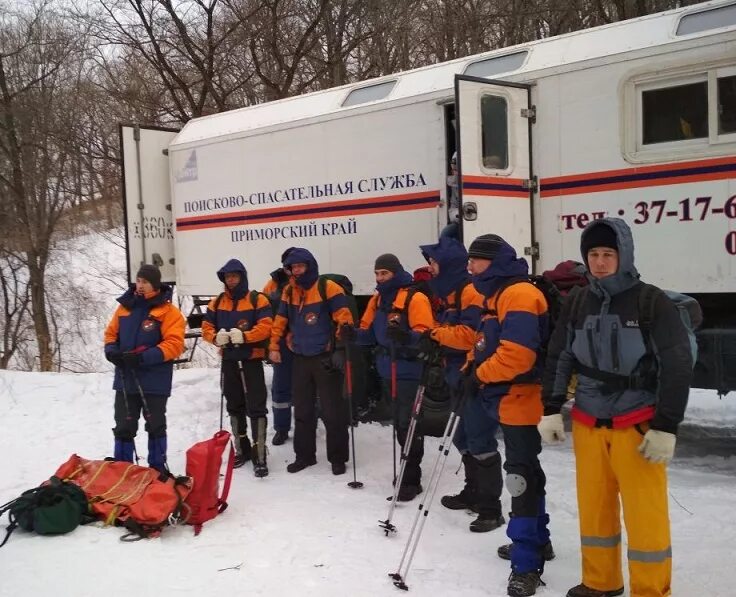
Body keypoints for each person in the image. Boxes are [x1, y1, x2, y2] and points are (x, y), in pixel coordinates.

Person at [539, 218, 693, 597]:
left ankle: (651, 590)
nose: (601, 262)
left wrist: (666, 427)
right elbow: (560, 355)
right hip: (590, 423)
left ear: (624, 255)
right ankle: (600, 582)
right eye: (593, 254)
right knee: (595, 510)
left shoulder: (649, 301)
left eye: (609, 253)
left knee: (646, 519)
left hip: (637, 426)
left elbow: (676, 366)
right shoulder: (577, 300)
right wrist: (551, 406)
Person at [464, 234, 551, 597]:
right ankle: (537, 541)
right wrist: (471, 368)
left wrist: (477, 375)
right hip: (508, 396)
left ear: (494, 262)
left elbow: (518, 357)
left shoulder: (518, 295)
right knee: (528, 472)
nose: (470, 267)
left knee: (519, 479)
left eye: (477, 261)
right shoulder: (497, 295)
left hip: (521, 397)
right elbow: (486, 345)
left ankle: (526, 565)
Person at [419, 236, 505, 532]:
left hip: (475, 377)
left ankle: (491, 508)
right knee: (462, 438)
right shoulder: (450, 293)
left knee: (480, 440)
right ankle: (473, 493)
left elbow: (471, 336)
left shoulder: (470, 293)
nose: (429, 268)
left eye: (433, 262)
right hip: (456, 374)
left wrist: (435, 335)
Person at [345, 254, 434, 501]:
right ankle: (407, 470)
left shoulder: (415, 298)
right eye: (377, 273)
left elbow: (426, 334)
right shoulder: (377, 299)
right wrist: (351, 334)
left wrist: (406, 338)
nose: (380, 278)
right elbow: (367, 333)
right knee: (399, 422)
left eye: (384, 273)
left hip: (407, 368)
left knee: (408, 423)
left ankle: (411, 479)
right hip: (387, 368)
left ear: (396, 272)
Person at [269, 248, 353, 475]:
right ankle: (304, 456)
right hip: (300, 358)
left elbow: (344, 319)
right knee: (303, 411)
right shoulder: (289, 292)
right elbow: (280, 321)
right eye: (292, 268)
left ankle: (338, 458)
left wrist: (340, 349)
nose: (296, 271)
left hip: (324, 358)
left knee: (332, 411)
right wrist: (274, 346)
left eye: (299, 266)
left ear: (309, 265)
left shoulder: (329, 288)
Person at [104, 264, 186, 474]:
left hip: (154, 380)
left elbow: (174, 344)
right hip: (125, 378)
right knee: (123, 426)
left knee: (155, 424)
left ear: (155, 285)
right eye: (138, 281)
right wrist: (111, 350)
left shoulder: (169, 312)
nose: (140, 286)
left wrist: (142, 358)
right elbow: (111, 334)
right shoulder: (125, 307)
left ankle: (157, 470)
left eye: (145, 282)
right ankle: (123, 470)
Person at [202, 259, 272, 477]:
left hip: (251, 359)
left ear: (242, 277)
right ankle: (241, 448)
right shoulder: (217, 302)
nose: (230, 280)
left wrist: (245, 336)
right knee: (234, 403)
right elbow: (206, 327)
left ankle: (259, 452)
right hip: (229, 360)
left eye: (234, 276)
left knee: (256, 405)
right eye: (227, 277)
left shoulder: (257, 299)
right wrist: (215, 338)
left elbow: (266, 326)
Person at [263, 252, 294, 446]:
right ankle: (281, 429)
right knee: (280, 389)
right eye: (287, 265)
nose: (289, 268)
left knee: (307, 387)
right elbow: (264, 314)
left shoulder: (310, 283)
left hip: (303, 342)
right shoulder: (272, 285)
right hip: (281, 343)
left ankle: (308, 423)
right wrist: (270, 344)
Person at [440, 152, 460, 240]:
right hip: (460, 221)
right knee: (447, 232)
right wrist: (458, 214)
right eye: (453, 169)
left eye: (456, 169)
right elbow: (452, 208)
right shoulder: (455, 185)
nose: (454, 172)